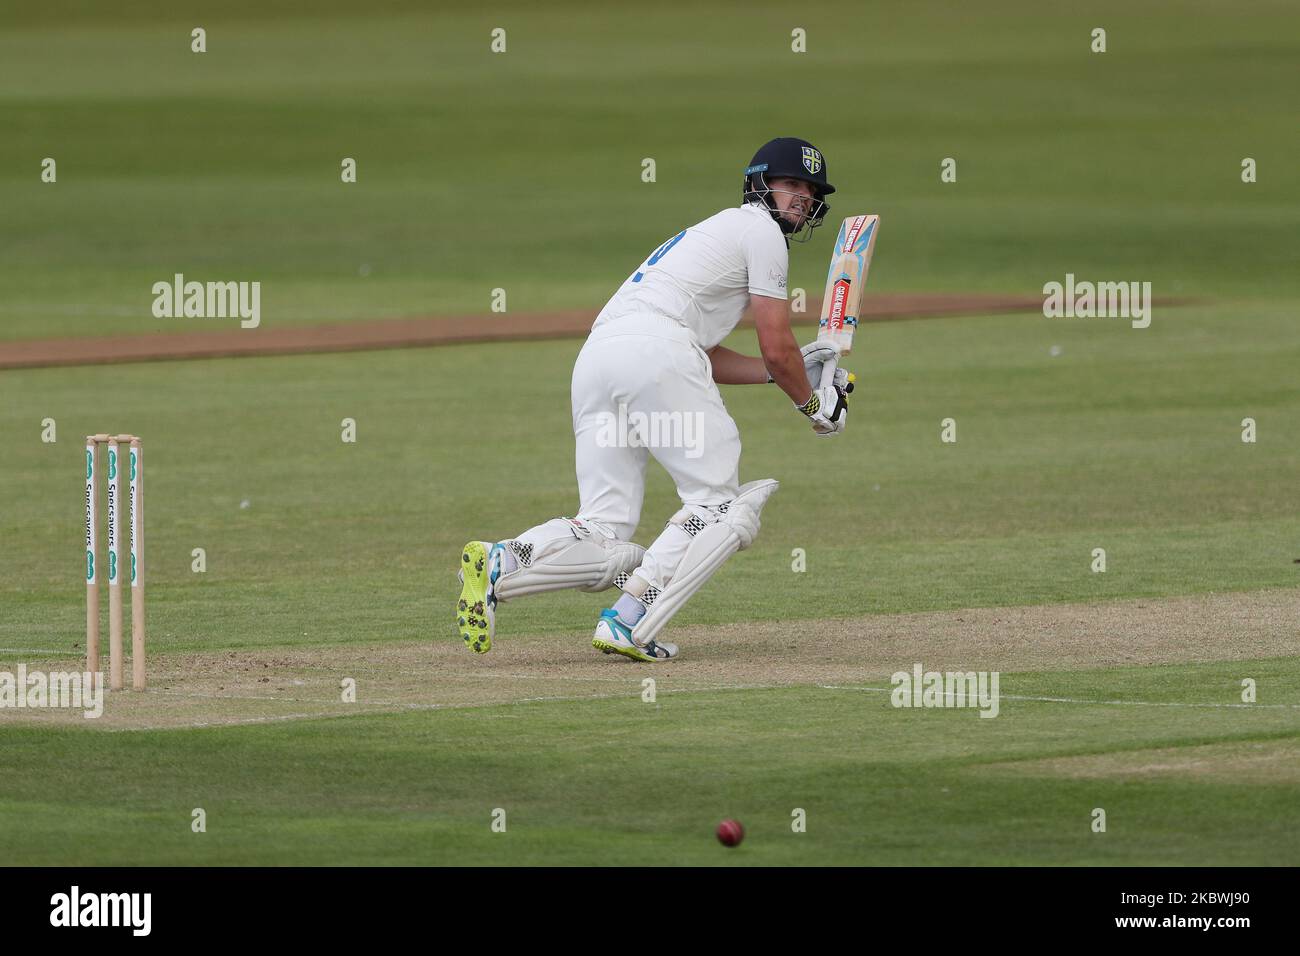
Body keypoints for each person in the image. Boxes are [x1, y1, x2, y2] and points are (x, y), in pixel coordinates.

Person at [456, 136, 854, 662]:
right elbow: (774, 347)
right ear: (761, 183)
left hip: (600, 358)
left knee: (605, 528)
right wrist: (815, 406)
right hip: (655, 351)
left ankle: (505, 559)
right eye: (792, 184)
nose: (802, 197)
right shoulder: (762, 232)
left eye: (811, 190)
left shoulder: (714, 232)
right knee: (719, 505)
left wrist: (787, 372)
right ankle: (629, 619)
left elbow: (714, 355)